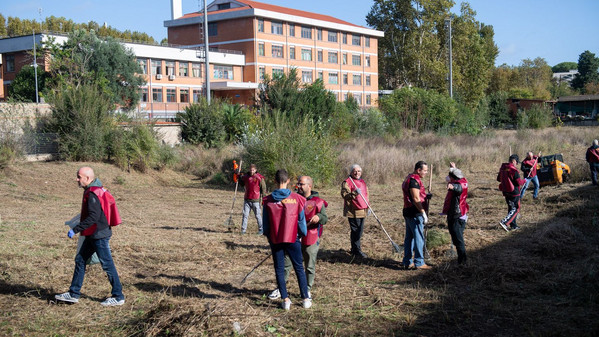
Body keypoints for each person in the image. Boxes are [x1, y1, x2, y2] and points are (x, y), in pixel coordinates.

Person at [55, 167, 125, 306]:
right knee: (80, 260)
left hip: (98, 235)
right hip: (94, 233)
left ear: (87, 178)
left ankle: (118, 296)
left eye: (79, 177)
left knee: (107, 264)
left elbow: (93, 217)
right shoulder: (96, 189)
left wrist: (75, 229)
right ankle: (73, 294)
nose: (77, 179)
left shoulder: (92, 193)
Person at [268, 175, 328, 301]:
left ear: (309, 186)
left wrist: (319, 217)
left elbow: (325, 218)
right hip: (292, 236)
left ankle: (307, 290)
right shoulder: (292, 198)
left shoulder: (318, 201)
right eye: (298, 184)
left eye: (301, 184)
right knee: (286, 263)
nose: (298, 186)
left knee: (309, 264)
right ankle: (281, 287)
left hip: (310, 237)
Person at [262, 169, 311, 310]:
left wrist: (269, 237)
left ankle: (285, 299)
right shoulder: (297, 199)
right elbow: (301, 221)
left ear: (275, 181)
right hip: (292, 238)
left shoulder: (268, 200)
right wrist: (302, 234)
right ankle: (305, 298)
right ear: (288, 180)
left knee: (279, 269)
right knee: (299, 268)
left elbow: (265, 224)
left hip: (276, 239)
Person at [401, 161, 431, 270]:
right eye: (425, 170)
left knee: (410, 237)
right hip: (414, 212)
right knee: (418, 237)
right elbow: (415, 198)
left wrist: (426, 196)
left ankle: (407, 261)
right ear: (418, 170)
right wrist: (423, 212)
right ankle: (419, 262)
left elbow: (417, 194)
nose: (426, 172)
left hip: (408, 211)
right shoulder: (414, 181)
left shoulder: (409, 178)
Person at [441, 163, 469, 265]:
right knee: (457, 239)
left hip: (456, 216)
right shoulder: (463, 180)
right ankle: (461, 260)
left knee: (458, 240)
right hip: (462, 214)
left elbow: (457, 188)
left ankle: (463, 262)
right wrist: (454, 168)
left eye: (450, 177)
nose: (448, 178)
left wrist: (451, 186)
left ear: (454, 178)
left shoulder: (457, 185)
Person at [341, 164, 369, 258]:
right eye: (355, 171)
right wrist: (355, 193)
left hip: (362, 210)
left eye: (359, 171)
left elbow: (366, 195)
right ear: (351, 172)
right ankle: (356, 251)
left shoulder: (362, 182)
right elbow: (345, 196)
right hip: (353, 211)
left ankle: (355, 249)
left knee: (359, 231)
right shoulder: (347, 182)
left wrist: (368, 206)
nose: (357, 173)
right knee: (356, 231)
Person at [497, 154, 526, 232]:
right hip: (514, 192)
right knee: (516, 208)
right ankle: (505, 222)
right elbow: (519, 182)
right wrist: (524, 181)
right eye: (517, 162)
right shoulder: (513, 170)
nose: (517, 164)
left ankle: (513, 225)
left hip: (506, 191)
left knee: (511, 208)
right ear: (513, 161)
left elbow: (498, 179)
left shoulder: (503, 168)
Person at [239, 164, 267, 234]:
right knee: (245, 215)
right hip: (247, 199)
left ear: (255, 170)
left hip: (256, 200)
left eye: (253, 170)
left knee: (258, 215)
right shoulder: (246, 177)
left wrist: (264, 198)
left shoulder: (259, 178)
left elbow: (263, 188)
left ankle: (261, 229)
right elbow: (242, 184)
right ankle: (243, 230)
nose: (252, 171)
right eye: (251, 170)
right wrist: (239, 177)